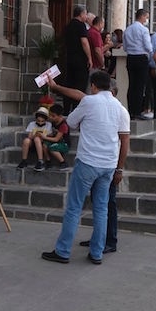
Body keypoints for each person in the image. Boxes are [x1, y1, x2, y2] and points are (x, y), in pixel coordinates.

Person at [42, 70, 130, 264]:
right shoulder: (120, 108)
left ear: (93, 86)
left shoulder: (89, 102)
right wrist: (120, 168)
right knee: (101, 209)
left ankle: (63, 251)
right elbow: (125, 141)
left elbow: (71, 123)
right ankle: (97, 253)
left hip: (88, 162)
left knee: (74, 207)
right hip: (109, 165)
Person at [124, 9, 152, 120]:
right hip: (141, 57)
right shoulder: (143, 30)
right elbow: (147, 46)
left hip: (130, 58)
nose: (146, 20)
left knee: (132, 85)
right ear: (142, 16)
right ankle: (137, 111)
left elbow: (125, 47)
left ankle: (131, 111)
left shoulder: (128, 29)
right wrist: (150, 52)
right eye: (146, 17)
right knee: (140, 86)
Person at [63, 5, 92, 113]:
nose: (86, 16)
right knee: (80, 85)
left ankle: (66, 109)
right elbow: (84, 42)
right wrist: (89, 58)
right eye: (85, 14)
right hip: (80, 59)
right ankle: (77, 109)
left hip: (69, 58)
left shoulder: (68, 25)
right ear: (81, 14)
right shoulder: (81, 25)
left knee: (69, 83)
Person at [39, 104, 70, 170]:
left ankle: (63, 163)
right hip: (55, 140)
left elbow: (56, 139)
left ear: (60, 116)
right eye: (50, 115)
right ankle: (48, 161)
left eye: (53, 116)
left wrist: (45, 137)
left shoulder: (63, 125)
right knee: (44, 145)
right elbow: (53, 134)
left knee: (52, 148)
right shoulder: (53, 122)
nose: (50, 117)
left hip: (64, 143)